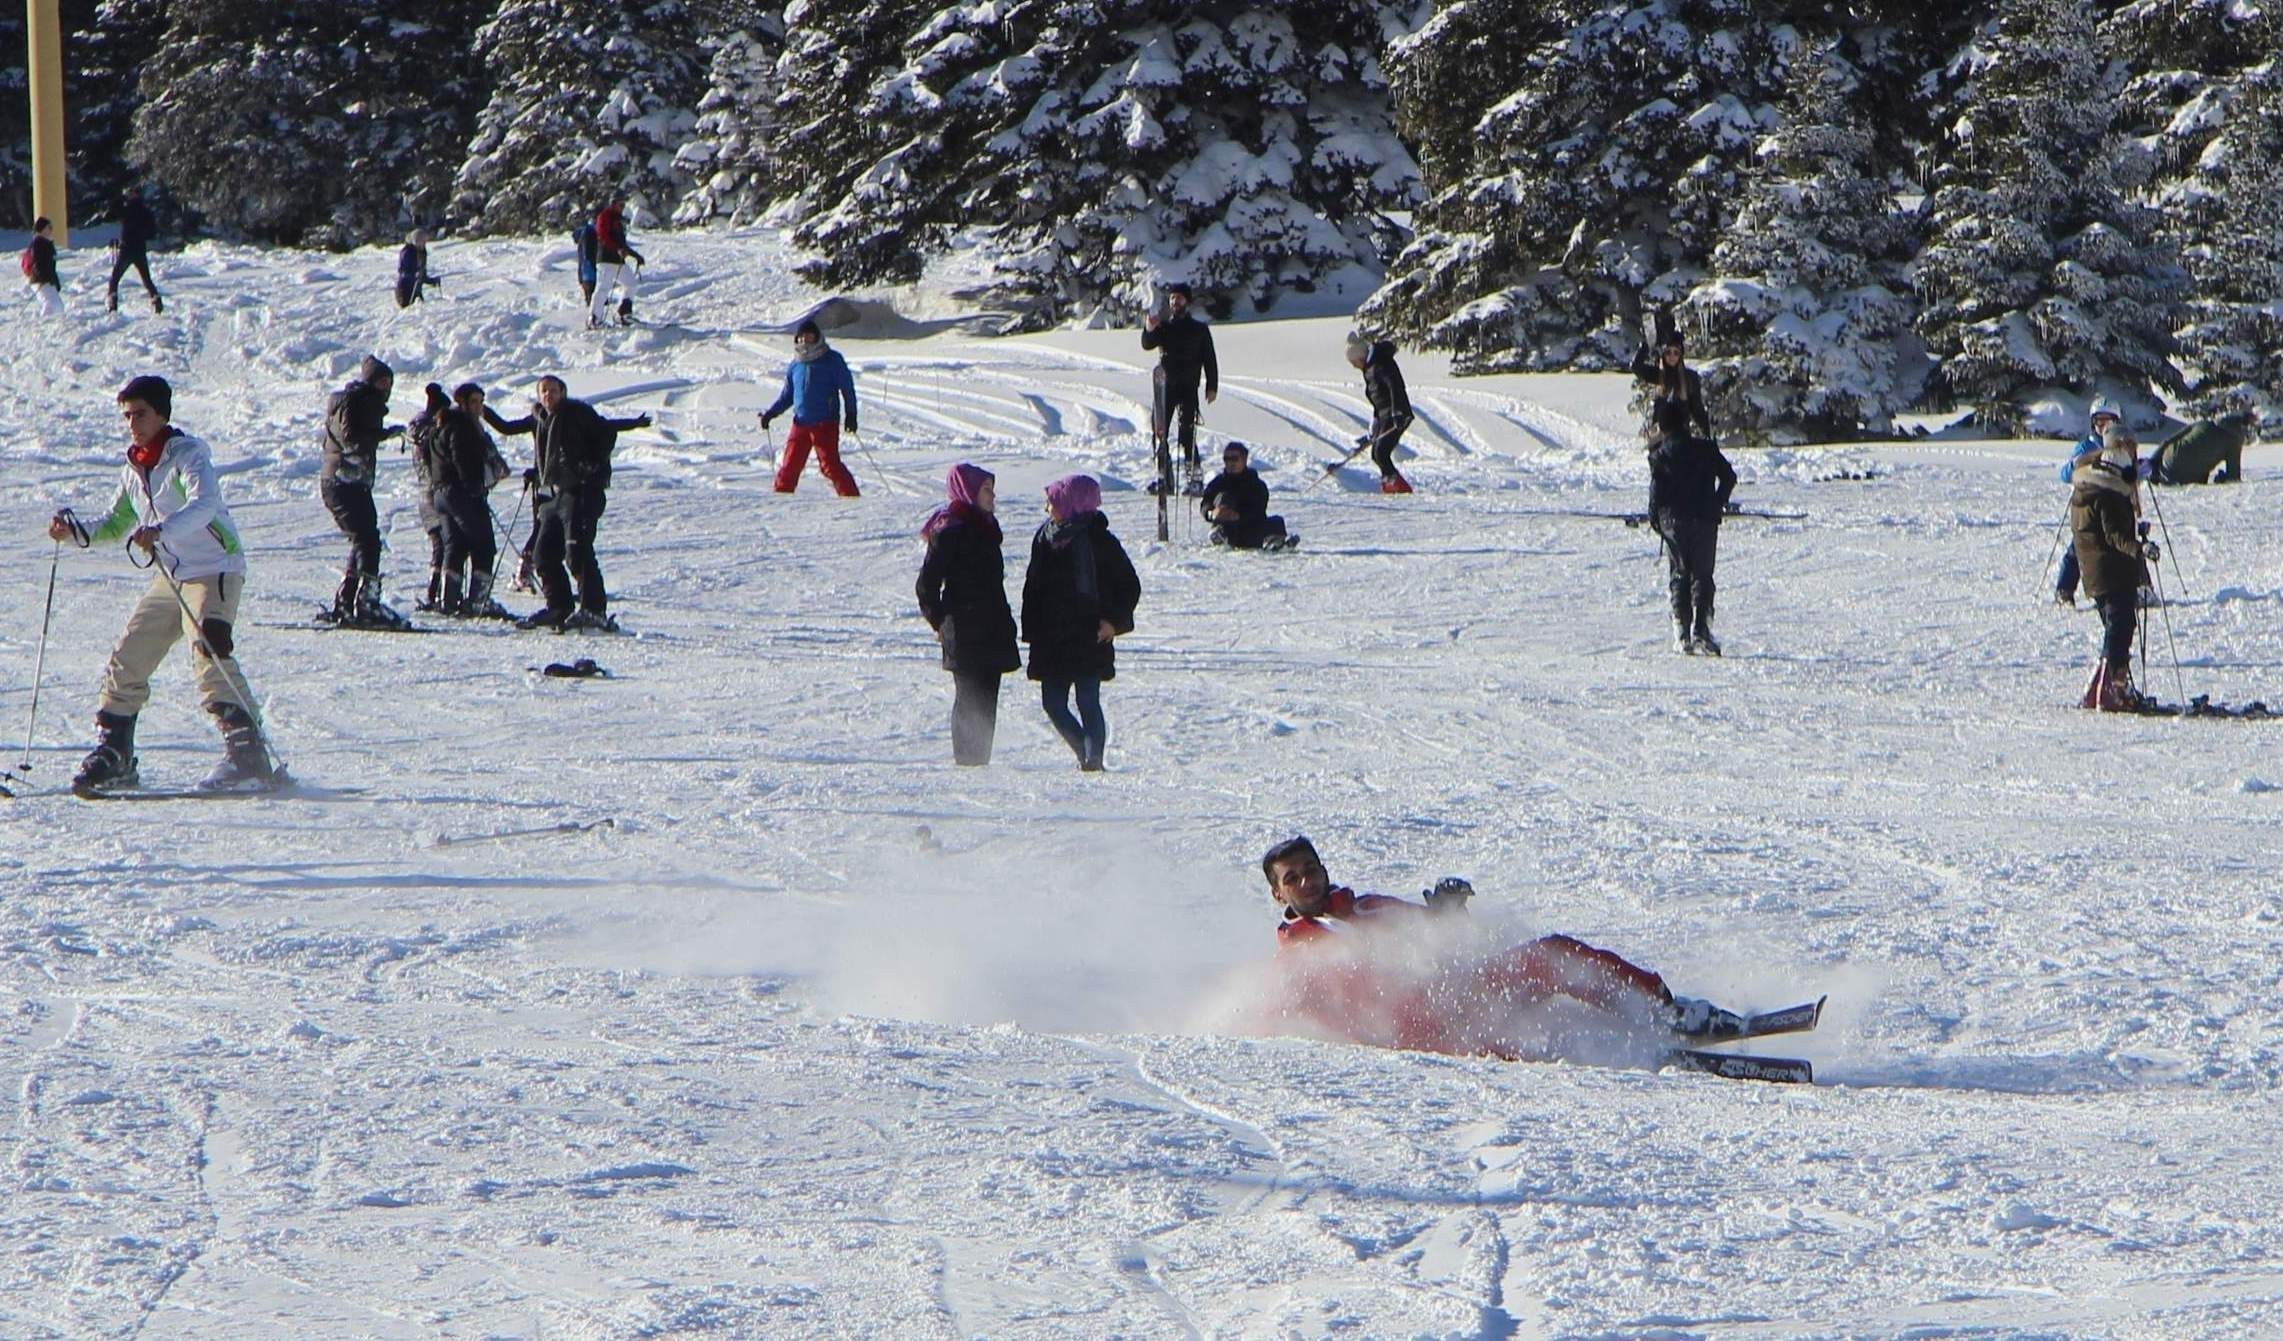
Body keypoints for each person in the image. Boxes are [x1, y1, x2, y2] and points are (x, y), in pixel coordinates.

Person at [1258, 836, 1743, 1060]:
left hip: (1459, 995)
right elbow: (1291, 1014)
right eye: (1292, 878)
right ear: (1279, 895)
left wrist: (1446, 911)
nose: (1306, 880)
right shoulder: (1300, 954)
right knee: (1533, 1027)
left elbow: (1431, 931)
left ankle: (1664, 1012)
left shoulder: (1365, 907)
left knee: (1553, 954)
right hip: (1428, 1032)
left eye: (1310, 868)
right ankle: (1627, 1048)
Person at [47, 375, 277, 794]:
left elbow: (204, 504)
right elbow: (117, 521)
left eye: (140, 414)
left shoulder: (188, 454)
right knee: (130, 654)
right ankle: (115, 752)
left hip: (214, 567)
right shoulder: (134, 467)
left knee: (209, 643)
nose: (133, 423)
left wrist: (160, 530)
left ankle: (248, 753)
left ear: (162, 414)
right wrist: (75, 532)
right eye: (127, 416)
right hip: (171, 575)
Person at [484, 375, 650, 630]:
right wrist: (480, 410)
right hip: (554, 494)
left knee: (578, 553)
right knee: (544, 555)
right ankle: (559, 607)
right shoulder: (539, 418)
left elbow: (606, 431)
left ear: (563, 392)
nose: (548, 395)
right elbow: (507, 428)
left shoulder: (577, 413)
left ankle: (593, 610)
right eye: (543, 391)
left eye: (553, 390)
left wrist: (593, 465)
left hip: (582, 492)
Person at [1021, 474, 1140, 771]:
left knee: (1088, 700)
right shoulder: (1044, 537)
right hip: (1051, 637)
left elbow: (1129, 584)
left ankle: (1093, 760)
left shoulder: (1100, 540)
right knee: (1053, 704)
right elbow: (1033, 587)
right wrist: (1031, 629)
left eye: (1053, 500)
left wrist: (1115, 622)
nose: (1047, 507)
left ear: (1072, 503)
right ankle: (1083, 752)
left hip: (1089, 635)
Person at [916, 464, 1021, 765]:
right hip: (963, 630)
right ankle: (966, 764)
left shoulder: (987, 528)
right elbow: (926, 585)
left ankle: (981, 763)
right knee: (970, 698)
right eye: (986, 489)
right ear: (969, 491)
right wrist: (939, 621)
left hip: (993, 627)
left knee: (987, 699)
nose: (993, 496)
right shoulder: (950, 529)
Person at [319, 355, 408, 627]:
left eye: (389, 382)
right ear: (371, 382)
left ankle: (348, 600)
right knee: (368, 540)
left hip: (337, 479)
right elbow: (352, 438)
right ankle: (366, 603)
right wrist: (382, 435)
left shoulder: (350, 400)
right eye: (382, 381)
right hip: (347, 480)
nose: (386, 387)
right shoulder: (362, 401)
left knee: (363, 539)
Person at [2070, 425, 2154, 710]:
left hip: (2095, 573)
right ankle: (2109, 689)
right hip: (2112, 572)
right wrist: (2140, 547)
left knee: (2117, 627)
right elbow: (2115, 536)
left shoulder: (2086, 490)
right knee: (2120, 628)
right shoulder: (2108, 496)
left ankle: (2102, 689)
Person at [1645, 398, 1737, 655]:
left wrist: (1656, 520)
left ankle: (1681, 632)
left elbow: (1656, 494)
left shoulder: (1660, 455)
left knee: (1680, 574)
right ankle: (1702, 630)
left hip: (1673, 522)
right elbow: (1729, 477)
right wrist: (1717, 502)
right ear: (1686, 424)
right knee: (1703, 575)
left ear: (1663, 427)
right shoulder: (1706, 448)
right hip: (1705, 519)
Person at [430, 383, 515, 617]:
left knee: (455, 545)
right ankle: (478, 601)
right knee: (484, 545)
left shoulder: (442, 424)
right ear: (464, 403)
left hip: (441, 494)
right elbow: (463, 461)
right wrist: (475, 488)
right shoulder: (463, 427)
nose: (480, 407)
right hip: (462, 494)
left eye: (481, 401)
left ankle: (449, 600)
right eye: (475, 402)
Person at [759, 319, 861, 496]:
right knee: (790, 466)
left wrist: (851, 414)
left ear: (817, 338)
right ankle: (781, 500)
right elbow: (788, 396)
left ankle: (851, 497)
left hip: (825, 423)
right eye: (801, 338)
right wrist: (771, 414)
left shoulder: (832, 360)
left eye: (809, 337)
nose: (805, 341)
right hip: (801, 423)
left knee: (829, 465)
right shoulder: (795, 365)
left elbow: (847, 387)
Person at [1141, 281, 1218, 495]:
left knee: (1187, 434)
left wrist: (1212, 386)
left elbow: (1209, 359)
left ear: (1188, 301)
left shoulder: (1199, 329)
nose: (1175, 301)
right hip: (1165, 388)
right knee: (1159, 431)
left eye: (1180, 298)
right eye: (1173, 298)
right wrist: (1149, 327)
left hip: (1188, 388)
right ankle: (1163, 478)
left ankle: (1194, 480)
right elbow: (1147, 344)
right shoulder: (1164, 326)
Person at [2053, 398, 2123, 606]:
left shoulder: (2120, 446)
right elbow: (2065, 474)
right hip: (2089, 506)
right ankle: (2064, 590)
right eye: (2099, 422)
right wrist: (2077, 464)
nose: (2103, 427)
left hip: (2114, 505)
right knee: (2080, 546)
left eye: (2108, 422)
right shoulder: (2086, 446)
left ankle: (2141, 587)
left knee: (2125, 542)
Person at [1347, 335, 1415, 494]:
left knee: (1381, 452)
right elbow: (1378, 401)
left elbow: (1394, 386)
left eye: (1353, 362)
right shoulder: (1370, 369)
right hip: (1385, 416)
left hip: (1397, 414)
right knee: (1377, 453)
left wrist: (1396, 412)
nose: (1354, 366)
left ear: (1359, 356)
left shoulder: (1380, 363)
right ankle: (1390, 485)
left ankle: (1400, 489)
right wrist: (1374, 427)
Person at [405, 383, 452, 610]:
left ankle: (435, 593)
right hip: (438, 493)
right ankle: (438, 595)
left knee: (440, 544)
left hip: (425, 494)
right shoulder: (432, 432)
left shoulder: (416, 429)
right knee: (446, 544)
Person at [1631, 309, 1711, 439]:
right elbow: (1636, 367)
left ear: (1681, 355)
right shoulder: (1658, 374)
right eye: (1668, 352)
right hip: (1659, 438)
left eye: (1676, 353)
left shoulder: (1690, 378)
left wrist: (1708, 434)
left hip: (1681, 438)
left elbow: (1697, 410)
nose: (1672, 356)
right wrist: (1647, 344)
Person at [1198, 442, 1291, 550]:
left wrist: (1239, 515)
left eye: (1234, 458)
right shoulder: (1218, 483)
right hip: (1226, 526)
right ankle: (1221, 536)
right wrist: (1211, 513)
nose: (1230, 462)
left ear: (1244, 459)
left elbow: (1258, 509)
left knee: (1277, 521)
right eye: (1226, 459)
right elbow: (1205, 503)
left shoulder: (1256, 484)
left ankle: (1276, 542)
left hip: (1250, 528)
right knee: (1224, 497)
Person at [2150, 412, 2252, 485]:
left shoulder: (2203, 424)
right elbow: (2233, 478)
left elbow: (2168, 441)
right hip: (2190, 477)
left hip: (2168, 460)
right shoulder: (2234, 443)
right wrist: (2220, 478)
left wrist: (2153, 461)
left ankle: (2155, 474)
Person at [588, 197, 644, 328]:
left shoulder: (618, 220)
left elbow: (622, 243)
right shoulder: (605, 216)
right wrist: (618, 249)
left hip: (618, 261)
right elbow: (603, 236)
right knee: (603, 288)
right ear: (613, 204)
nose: (622, 207)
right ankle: (594, 319)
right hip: (606, 260)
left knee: (631, 283)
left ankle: (622, 314)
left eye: (624, 205)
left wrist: (636, 256)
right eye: (620, 204)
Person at [107, 189, 162, 314]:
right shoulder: (146, 212)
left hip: (126, 249)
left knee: (115, 278)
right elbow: (152, 233)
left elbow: (113, 210)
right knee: (146, 278)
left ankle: (112, 302)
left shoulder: (127, 210)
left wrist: (119, 198)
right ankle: (156, 299)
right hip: (140, 249)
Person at [24, 217, 62, 317]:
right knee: (53, 305)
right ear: (43, 228)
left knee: (56, 305)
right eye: (49, 227)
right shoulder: (38, 243)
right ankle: (44, 325)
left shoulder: (44, 243)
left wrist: (55, 281)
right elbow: (38, 263)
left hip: (45, 279)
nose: (51, 230)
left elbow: (50, 266)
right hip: (41, 280)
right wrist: (43, 278)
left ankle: (54, 326)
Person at [395, 229, 440, 309]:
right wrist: (414, 274)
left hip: (416, 291)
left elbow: (422, 275)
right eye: (421, 241)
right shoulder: (407, 252)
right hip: (405, 291)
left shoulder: (422, 252)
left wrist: (432, 281)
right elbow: (403, 271)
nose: (423, 243)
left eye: (424, 241)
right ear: (415, 241)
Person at [572, 218, 600, 306]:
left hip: (584, 271)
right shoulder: (590, 233)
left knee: (589, 295)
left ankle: (589, 309)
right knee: (593, 296)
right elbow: (589, 253)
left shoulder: (583, 233)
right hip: (591, 270)